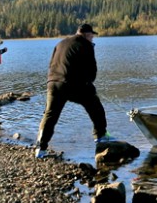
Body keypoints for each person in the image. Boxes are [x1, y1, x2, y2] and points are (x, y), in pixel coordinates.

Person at [35, 23, 112, 158]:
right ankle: (100, 136)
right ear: (87, 35)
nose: (92, 39)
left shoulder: (60, 43)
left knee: (50, 115)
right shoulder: (86, 45)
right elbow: (92, 72)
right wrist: (89, 85)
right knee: (95, 106)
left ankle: (40, 149)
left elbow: (52, 64)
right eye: (92, 36)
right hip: (71, 84)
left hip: (53, 83)